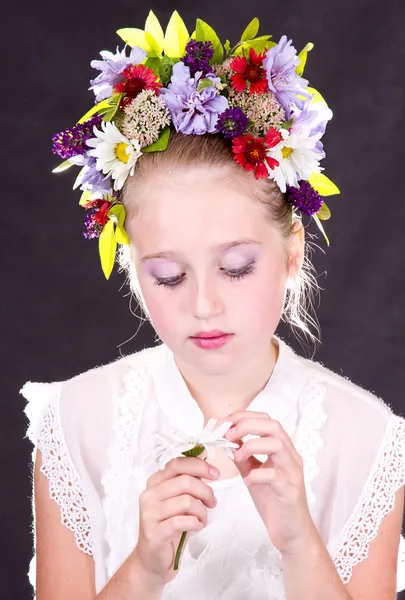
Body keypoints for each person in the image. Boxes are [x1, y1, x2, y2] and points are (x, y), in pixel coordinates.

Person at [20, 10, 405, 600]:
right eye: (169, 276)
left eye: (235, 268)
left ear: (292, 251)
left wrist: (300, 543)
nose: (204, 304)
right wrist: (143, 569)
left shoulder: (367, 438)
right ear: (133, 267)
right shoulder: (76, 421)